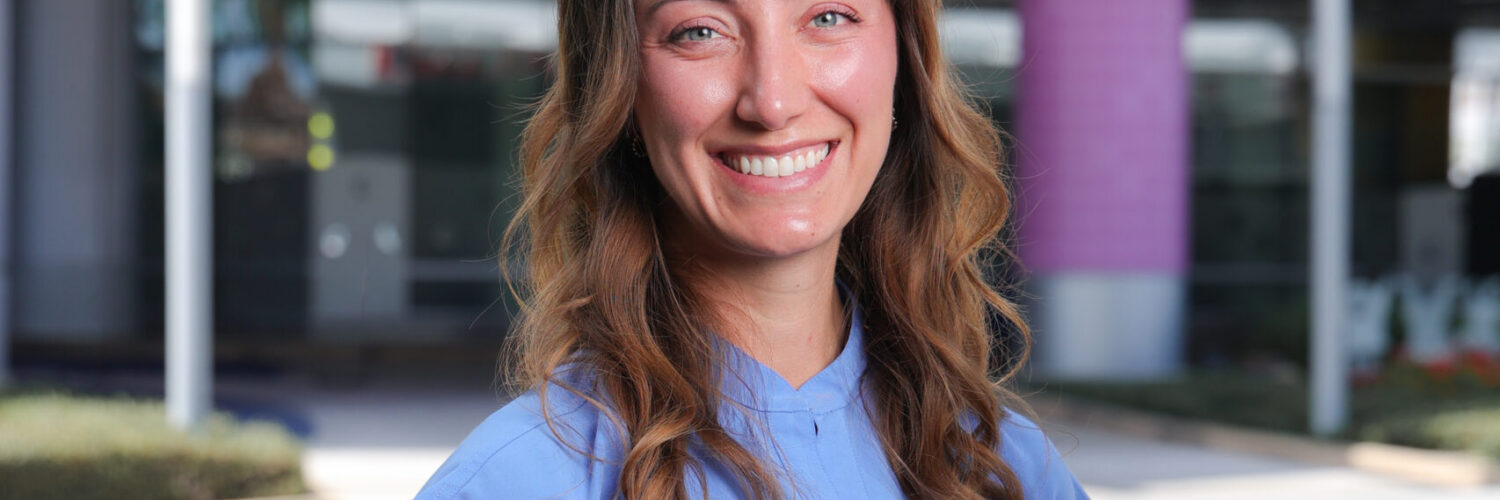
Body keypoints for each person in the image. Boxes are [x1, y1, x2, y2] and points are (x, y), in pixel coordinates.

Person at [417, 0, 1089, 497]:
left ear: (904, 60)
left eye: (828, 17)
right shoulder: (517, 481)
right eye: (699, 31)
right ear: (618, 89)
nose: (772, 102)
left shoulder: (1007, 470)